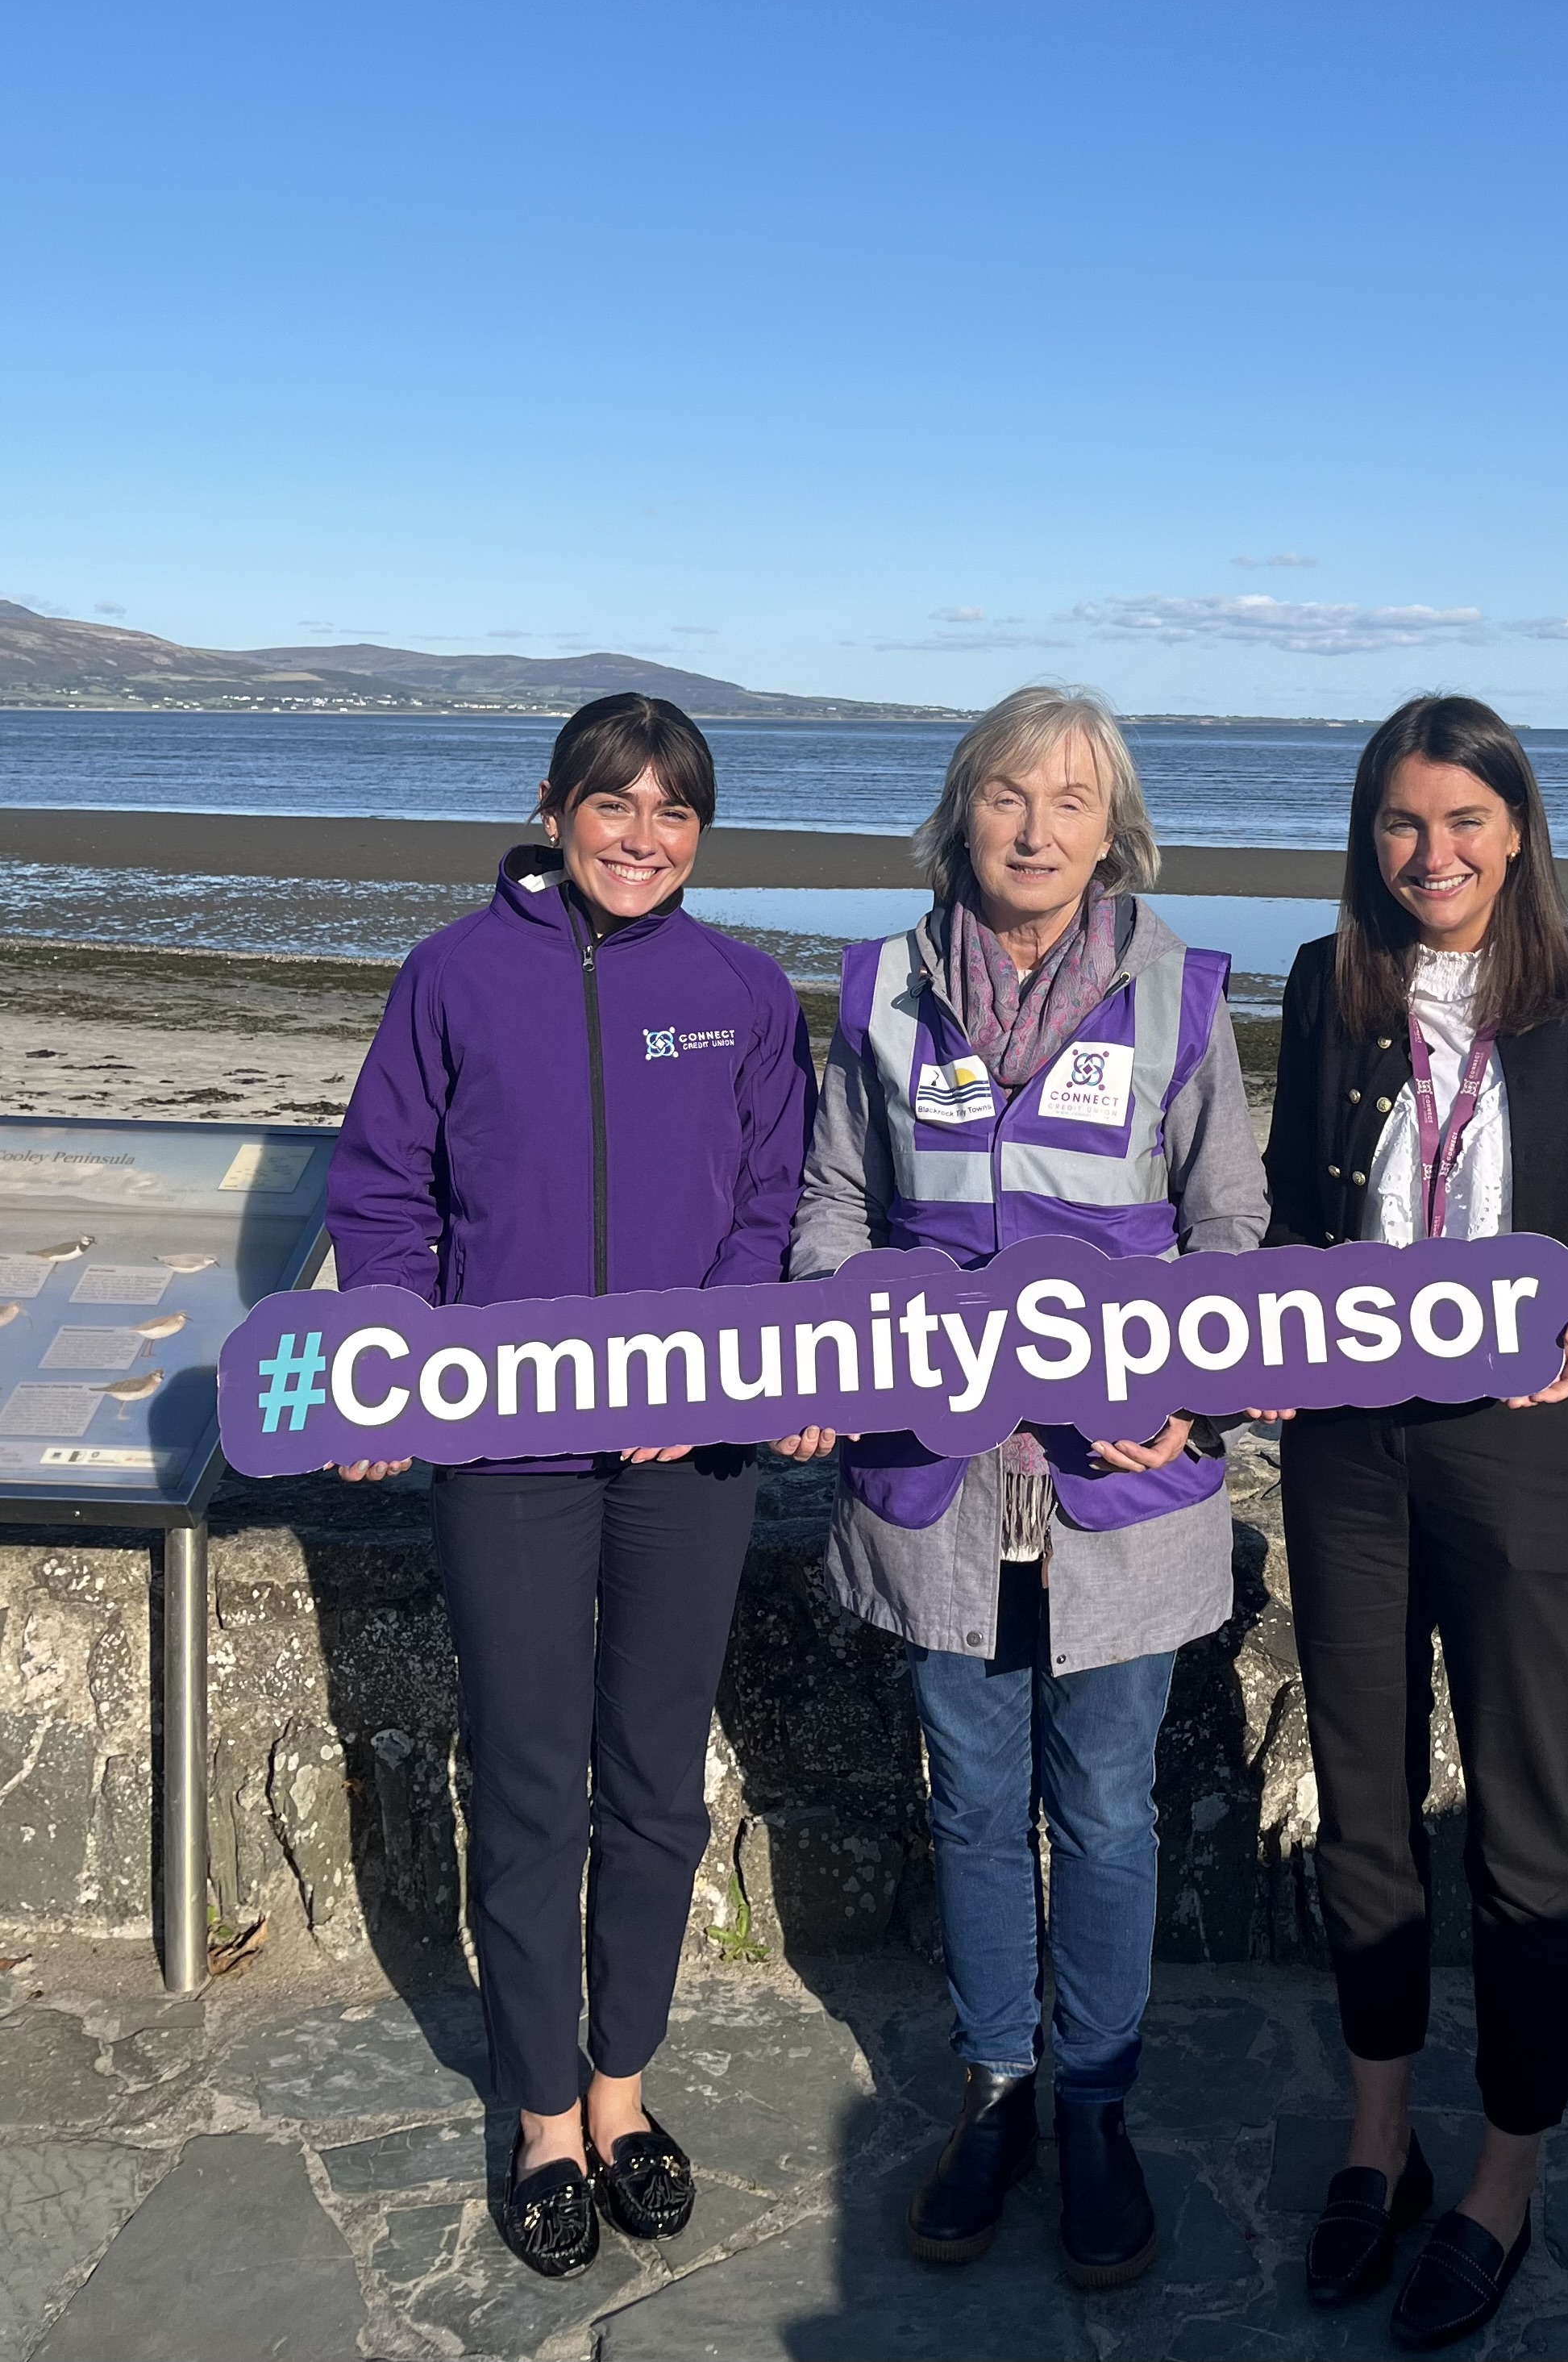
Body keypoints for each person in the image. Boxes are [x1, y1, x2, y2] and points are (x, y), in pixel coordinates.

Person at [326, 693, 817, 2279]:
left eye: (674, 812)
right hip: (505, 1448)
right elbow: (384, 1196)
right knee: (531, 1779)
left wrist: (714, 1359)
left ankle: (624, 2090)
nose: (642, 836)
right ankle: (540, 2112)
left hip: (692, 1457)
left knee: (655, 1784)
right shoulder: (450, 979)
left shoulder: (742, 992)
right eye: (614, 804)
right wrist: (389, 1358)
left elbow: (769, 1208)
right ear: (553, 808)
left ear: (701, 834)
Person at [1261, 695, 1568, 2351]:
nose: (1429, 853)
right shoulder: (1331, 987)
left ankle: (1502, 2175)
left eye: (1461, 821)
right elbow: (1286, 1205)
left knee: (1526, 1822)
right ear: (1364, 839)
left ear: (1515, 829)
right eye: (1399, 823)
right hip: (1347, 1450)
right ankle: (1377, 2141)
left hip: (1524, 1454)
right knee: (1364, 1809)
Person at [786, 685, 1267, 2289]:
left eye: (1070, 802)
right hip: (938, 1488)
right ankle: (992, 2089)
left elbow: (1233, 1242)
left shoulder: (1182, 996)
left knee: (1108, 1815)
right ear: (960, 812)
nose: (1036, 830)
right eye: (1007, 796)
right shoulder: (875, 989)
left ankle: (1097, 2107)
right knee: (974, 1810)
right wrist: (839, 1355)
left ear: (1111, 826)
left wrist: (1186, 1394)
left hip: (1113, 1503)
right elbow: (833, 1210)